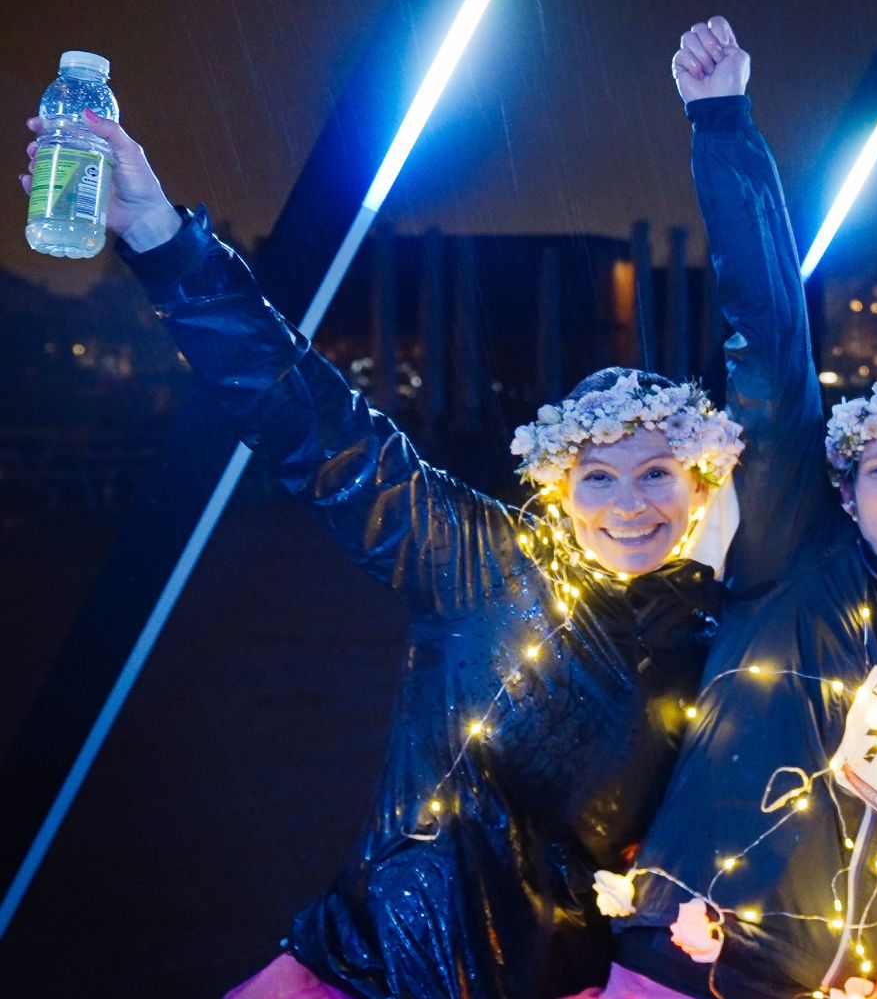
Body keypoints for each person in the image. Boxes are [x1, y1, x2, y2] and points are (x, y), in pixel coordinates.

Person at [21, 110, 749, 998]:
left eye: (657, 474)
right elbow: (319, 427)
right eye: (599, 477)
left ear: (701, 484)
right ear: (559, 486)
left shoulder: (722, 633)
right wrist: (159, 238)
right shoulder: (486, 566)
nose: (630, 505)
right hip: (386, 968)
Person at [583, 17, 877, 999]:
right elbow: (774, 357)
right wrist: (725, 126)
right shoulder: (794, 555)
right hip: (690, 965)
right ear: (843, 493)